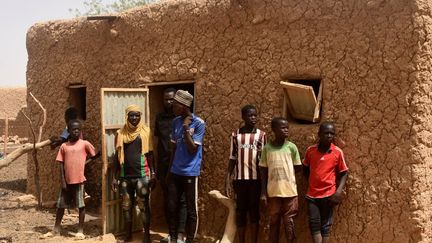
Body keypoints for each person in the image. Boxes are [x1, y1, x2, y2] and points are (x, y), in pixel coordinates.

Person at [44, 119, 99, 240]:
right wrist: (63, 181)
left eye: (78, 130)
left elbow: (94, 156)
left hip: (79, 181)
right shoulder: (64, 146)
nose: (76, 131)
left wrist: (86, 162)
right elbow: (60, 164)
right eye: (73, 129)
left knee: (81, 206)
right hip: (67, 182)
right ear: (68, 131)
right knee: (60, 205)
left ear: (80, 131)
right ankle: (56, 229)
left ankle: (80, 230)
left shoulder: (84, 144)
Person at [111, 105, 156, 243]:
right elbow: (117, 157)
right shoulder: (120, 134)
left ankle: (146, 235)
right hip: (125, 176)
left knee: (143, 205)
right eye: (132, 115)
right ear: (127, 116)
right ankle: (128, 235)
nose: (135, 118)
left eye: (137, 115)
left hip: (142, 175)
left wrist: (153, 173)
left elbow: (150, 154)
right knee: (126, 206)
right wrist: (114, 177)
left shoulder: (145, 132)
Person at [167, 90, 205, 243]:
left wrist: (185, 128)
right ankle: (174, 238)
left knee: (191, 209)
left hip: (190, 172)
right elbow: (174, 149)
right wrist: (169, 170)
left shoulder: (198, 123)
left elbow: (192, 148)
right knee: (171, 206)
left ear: (183, 106)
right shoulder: (175, 122)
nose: (172, 107)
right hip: (175, 171)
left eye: (175, 104)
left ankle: (189, 239)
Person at [225, 104, 265, 243]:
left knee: (254, 211)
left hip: (255, 180)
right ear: (243, 117)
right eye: (250, 115)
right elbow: (232, 159)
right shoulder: (235, 135)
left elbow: (264, 161)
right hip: (240, 180)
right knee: (240, 211)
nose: (253, 118)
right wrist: (228, 181)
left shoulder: (261, 135)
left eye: (255, 115)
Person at [303, 121, 348, 243]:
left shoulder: (337, 152)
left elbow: (344, 172)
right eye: (326, 133)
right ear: (319, 134)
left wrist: (338, 192)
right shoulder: (310, 151)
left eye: (332, 133)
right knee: (314, 224)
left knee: (326, 226)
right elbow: (305, 169)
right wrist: (312, 182)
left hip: (329, 196)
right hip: (312, 195)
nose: (329, 136)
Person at [259, 117, 301, 243]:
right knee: (274, 221)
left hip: (290, 192)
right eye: (283, 128)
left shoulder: (291, 147)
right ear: (274, 130)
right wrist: (263, 193)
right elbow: (263, 171)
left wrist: (287, 178)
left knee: (290, 222)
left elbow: (298, 167)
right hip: (273, 192)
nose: (286, 130)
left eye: (287, 127)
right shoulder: (267, 148)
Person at [154, 88, 187, 243]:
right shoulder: (159, 118)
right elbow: (158, 142)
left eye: (171, 99)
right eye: (166, 99)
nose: (169, 102)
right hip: (164, 164)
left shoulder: (181, 119)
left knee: (181, 200)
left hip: (180, 164)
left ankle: (180, 234)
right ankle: (170, 233)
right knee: (168, 200)